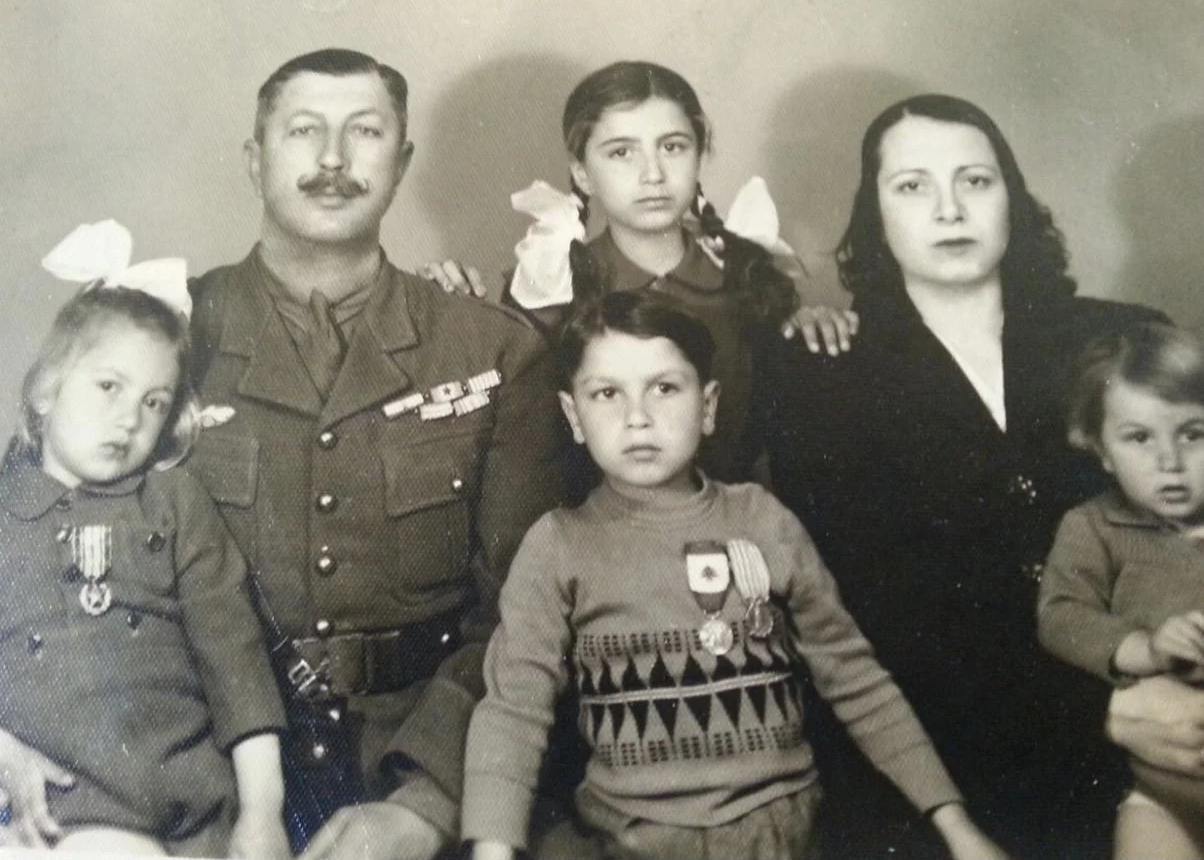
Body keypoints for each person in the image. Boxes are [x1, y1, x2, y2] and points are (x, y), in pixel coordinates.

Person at [180, 48, 565, 860]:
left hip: (416, 759)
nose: (332, 159)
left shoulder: (491, 349)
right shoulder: (165, 336)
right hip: (202, 772)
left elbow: (521, 612)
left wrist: (427, 803)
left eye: (364, 131)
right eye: (303, 131)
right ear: (254, 158)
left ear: (402, 161)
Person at [461, 289, 1008, 860]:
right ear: (574, 416)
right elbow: (513, 711)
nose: (637, 417)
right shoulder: (557, 544)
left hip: (784, 837)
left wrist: (956, 827)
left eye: (664, 388)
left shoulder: (761, 520)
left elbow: (856, 679)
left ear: (709, 405)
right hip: (631, 844)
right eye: (606, 393)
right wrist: (493, 851)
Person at [763, 93, 1167, 858]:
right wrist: (1107, 714)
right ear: (875, 212)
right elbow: (874, 615)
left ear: (1011, 195)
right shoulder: (820, 374)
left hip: (1161, 721)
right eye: (912, 186)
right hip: (953, 757)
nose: (950, 209)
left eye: (975, 181)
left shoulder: (1126, 337)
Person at [425, 60, 857, 491]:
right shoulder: (550, 289)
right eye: (621, 152)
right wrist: (448, 312)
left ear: (699, 155)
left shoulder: (748, 278)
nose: (653, 174)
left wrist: (808, 328)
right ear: (582, 173)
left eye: (672, 147)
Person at [0, 220, 288, 857]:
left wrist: (262, 812)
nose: (129, 418)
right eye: (109, 387)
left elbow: (236, 664)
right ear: (45, 391)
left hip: (166, 811)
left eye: (155, 402)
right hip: (33, 809)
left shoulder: (174, 503)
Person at [1039, 322, 1204, 860]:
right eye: (1139, 438)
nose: (1170, 461)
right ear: (1101, 451)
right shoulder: (1093, 528)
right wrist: (1146, 649)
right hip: (1163, 795)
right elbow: (1062, 616)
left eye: (1193, 434)